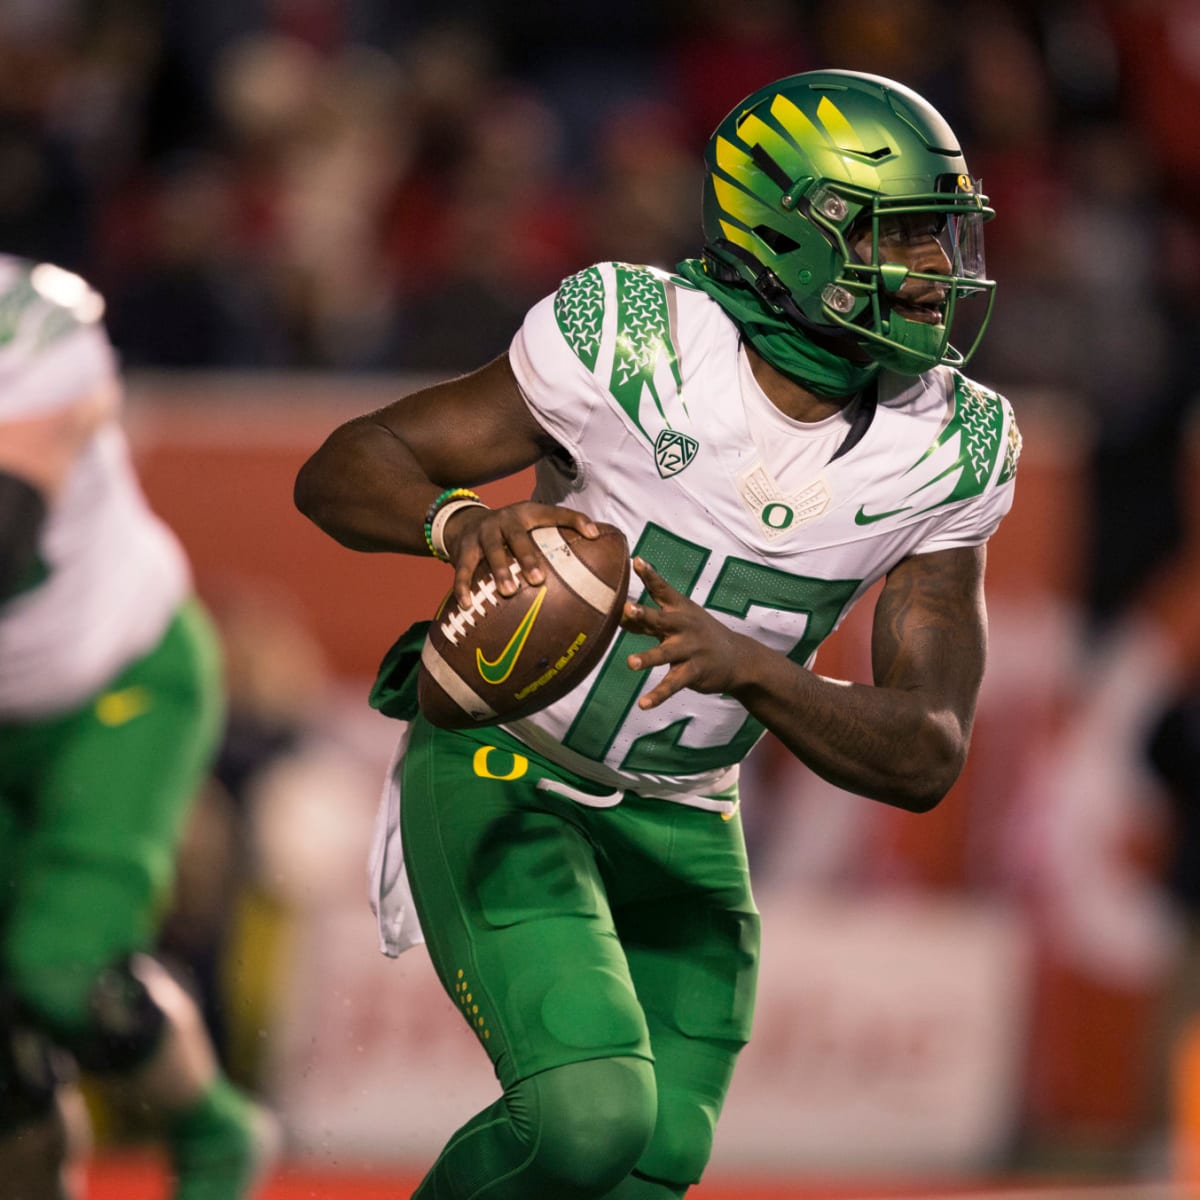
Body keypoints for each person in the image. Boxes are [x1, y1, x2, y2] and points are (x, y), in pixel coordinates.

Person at [295, 69, 1020, 1200]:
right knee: (587, 1119)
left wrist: (759, 673)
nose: (939, 272)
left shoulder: (953, 445)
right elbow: (344, 466)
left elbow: (927, 749)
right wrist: (461, 522)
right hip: (508, 764)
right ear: (795, 235)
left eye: (945, 237)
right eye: (906, 235)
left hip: (688, 811)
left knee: (651, 1165)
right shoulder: (633, 338)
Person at [0, 257, 277, 1198]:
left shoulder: (34, 325)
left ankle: (212, 1129)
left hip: (112, 680)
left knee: (61, 971)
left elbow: (5, 528)